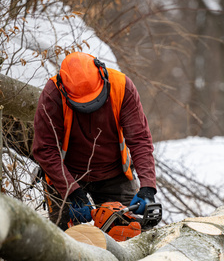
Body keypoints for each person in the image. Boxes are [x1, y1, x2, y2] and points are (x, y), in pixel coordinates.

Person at [32, 52, 157, 230]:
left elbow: (140, 139)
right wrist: (71, 190)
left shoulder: (121, 87)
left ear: (102, 74)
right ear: (65, 88)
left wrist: (148, 186)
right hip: (68, 173)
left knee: (134, 232)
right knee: (65, 240)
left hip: (114, 174)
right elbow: (45, 149)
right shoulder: (53, 94)